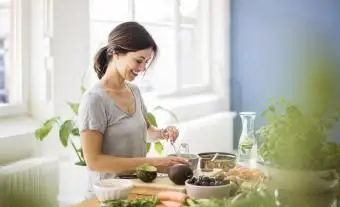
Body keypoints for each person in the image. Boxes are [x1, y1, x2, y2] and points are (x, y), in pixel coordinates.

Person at [78, 21, 188, 198]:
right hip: (107, 195)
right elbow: (94, 161)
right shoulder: (95, 99)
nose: (143, 69)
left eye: (146, 62)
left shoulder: (133, 91)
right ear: (116, 53)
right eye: (138, 60)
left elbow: (146, 132)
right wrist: (154, 162)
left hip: (135, 189)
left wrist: (162, 133)